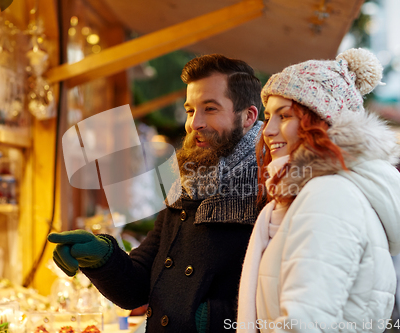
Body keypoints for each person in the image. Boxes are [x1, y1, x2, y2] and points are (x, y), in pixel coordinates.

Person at [48, 54, 264, 332]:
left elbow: (278, 300)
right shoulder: (187, 186)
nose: (194, 123)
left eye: (210, 109)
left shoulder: (267, 188)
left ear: (248, 117)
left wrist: (204, 319)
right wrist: (101, 257)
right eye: (190, 110)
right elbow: (137, 288)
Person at [236, 48, 400, 332]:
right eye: (268, 115)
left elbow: (305, 323)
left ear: (321, 122)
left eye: (283, 116)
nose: (267, 130)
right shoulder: (328, 191)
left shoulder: (329, 194)